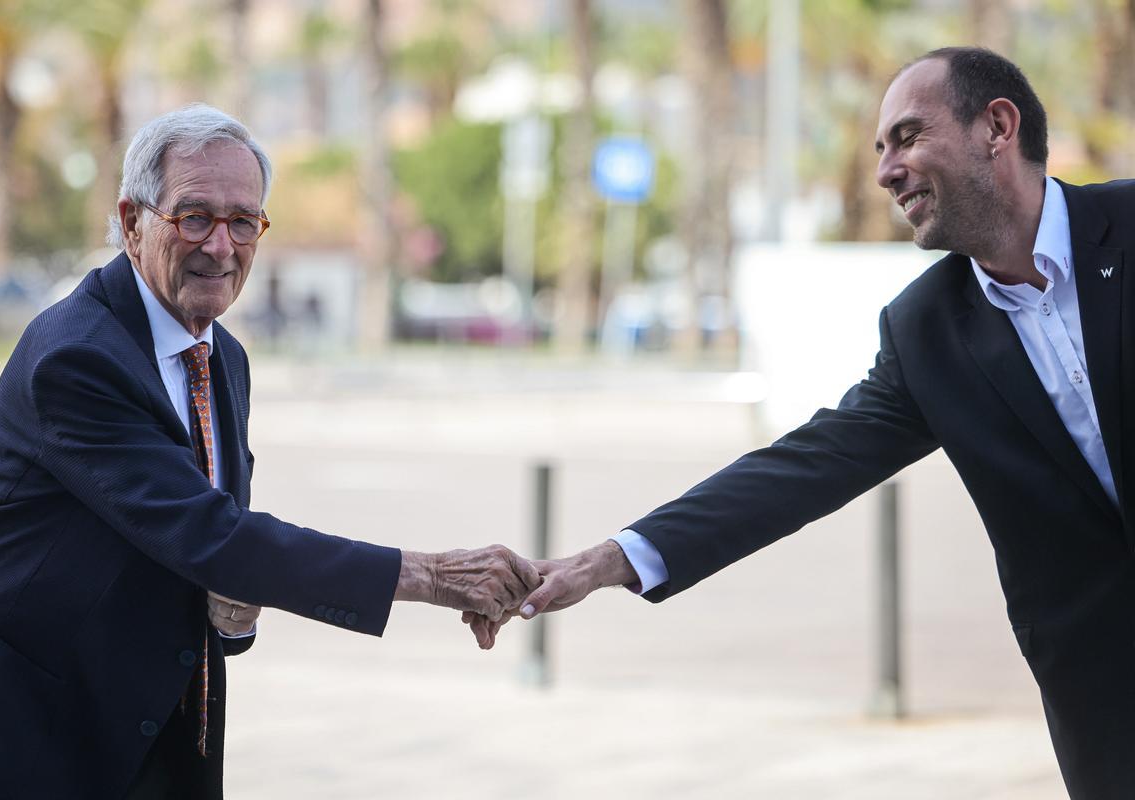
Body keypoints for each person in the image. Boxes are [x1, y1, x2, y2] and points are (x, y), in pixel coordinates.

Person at [472, 47, 1135, 799]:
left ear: (997, 126)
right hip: (1102, 694)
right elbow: (804, 467)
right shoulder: (927, 332)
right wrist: (608, 560)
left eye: (908, 136)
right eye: (880, 150)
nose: (886, 171)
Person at [0, 104, 539, 800]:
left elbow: (212, 557)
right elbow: (213, 536)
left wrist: (233, 610)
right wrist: (433, 576)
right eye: (195, 217)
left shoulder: (223, 357)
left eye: (243, 221)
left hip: (154, 726)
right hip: (5, 732)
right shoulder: (76, 358)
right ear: (133, 223)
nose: (221, 246)